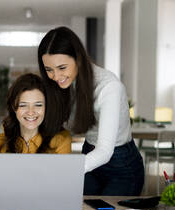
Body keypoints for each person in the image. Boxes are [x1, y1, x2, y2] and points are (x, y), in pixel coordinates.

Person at [38, 26, 144, 196]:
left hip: (120, 164)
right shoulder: (62, 84)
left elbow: (104, 151)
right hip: (89, 153)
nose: (56, 77)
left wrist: (63, 172)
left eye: (62, 68)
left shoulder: (109, 87)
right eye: (49, 70)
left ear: (78, 59)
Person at [0, 73, 71, 196]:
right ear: (14, 107)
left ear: (46, 107)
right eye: (23, 105)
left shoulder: (61, 140)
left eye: (38, 105)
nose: (31, 112)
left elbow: (62, 190)